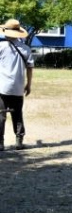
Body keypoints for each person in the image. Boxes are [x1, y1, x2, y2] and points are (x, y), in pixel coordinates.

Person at [0, 19, 34, 151]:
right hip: (18, 87)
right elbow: (30, 68)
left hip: (2, 87)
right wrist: (28, 84)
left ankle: (0, 143)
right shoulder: (26, 49)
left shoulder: (1, 47)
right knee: (17, 114)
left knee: (1, 115)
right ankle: (19, 141)